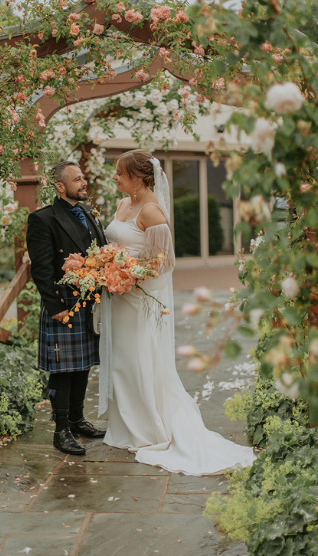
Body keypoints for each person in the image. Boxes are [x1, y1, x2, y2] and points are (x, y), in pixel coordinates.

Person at [99, 149, 256, 474]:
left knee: (139, 360)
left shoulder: (153, 211)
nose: (115, 177)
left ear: (138, 177)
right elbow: (115, 245)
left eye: (120, 172)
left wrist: (126, 276)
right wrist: (102, 268)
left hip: (137, 299)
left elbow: (161, 264)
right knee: (121, 362)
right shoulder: (123, 203)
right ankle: (125, 427)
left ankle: (149, 429)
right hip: (117, 298)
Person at [26, 161, 108, 455]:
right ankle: (61, 431)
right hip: (64, 302)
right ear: (60, 187)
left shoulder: (88, 212)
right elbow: (42, 268)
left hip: (88, 300)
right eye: (77, 179)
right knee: (63, 369)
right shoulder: (43, 219)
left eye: (84, 177)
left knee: (83, 364)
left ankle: (76, 419)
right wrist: (56, 306)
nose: (84, 182)